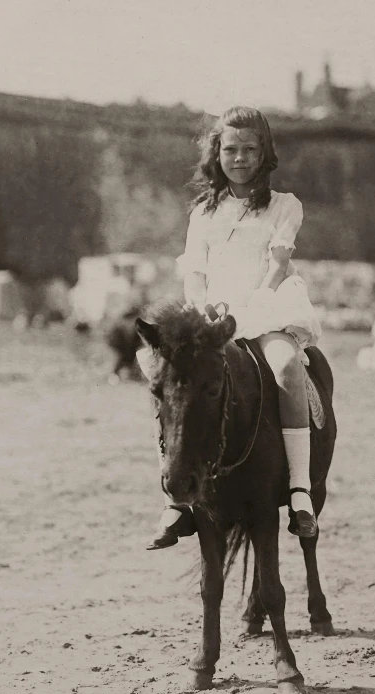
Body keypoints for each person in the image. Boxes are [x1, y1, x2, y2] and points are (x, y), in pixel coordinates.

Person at [140, 106, 322, 549]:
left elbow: (278, 268)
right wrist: (203, 312)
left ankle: (300, 489)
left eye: (249, 149)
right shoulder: (203, 211)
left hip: (266, 306)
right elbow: (195, 273)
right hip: (210, 316)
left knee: (284, 366)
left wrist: (247, 310)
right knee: (160, 369)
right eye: (230, 149)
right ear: (216, 153)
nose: (239, 158)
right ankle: (178, 496)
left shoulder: (284, 207)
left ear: (264, 154)